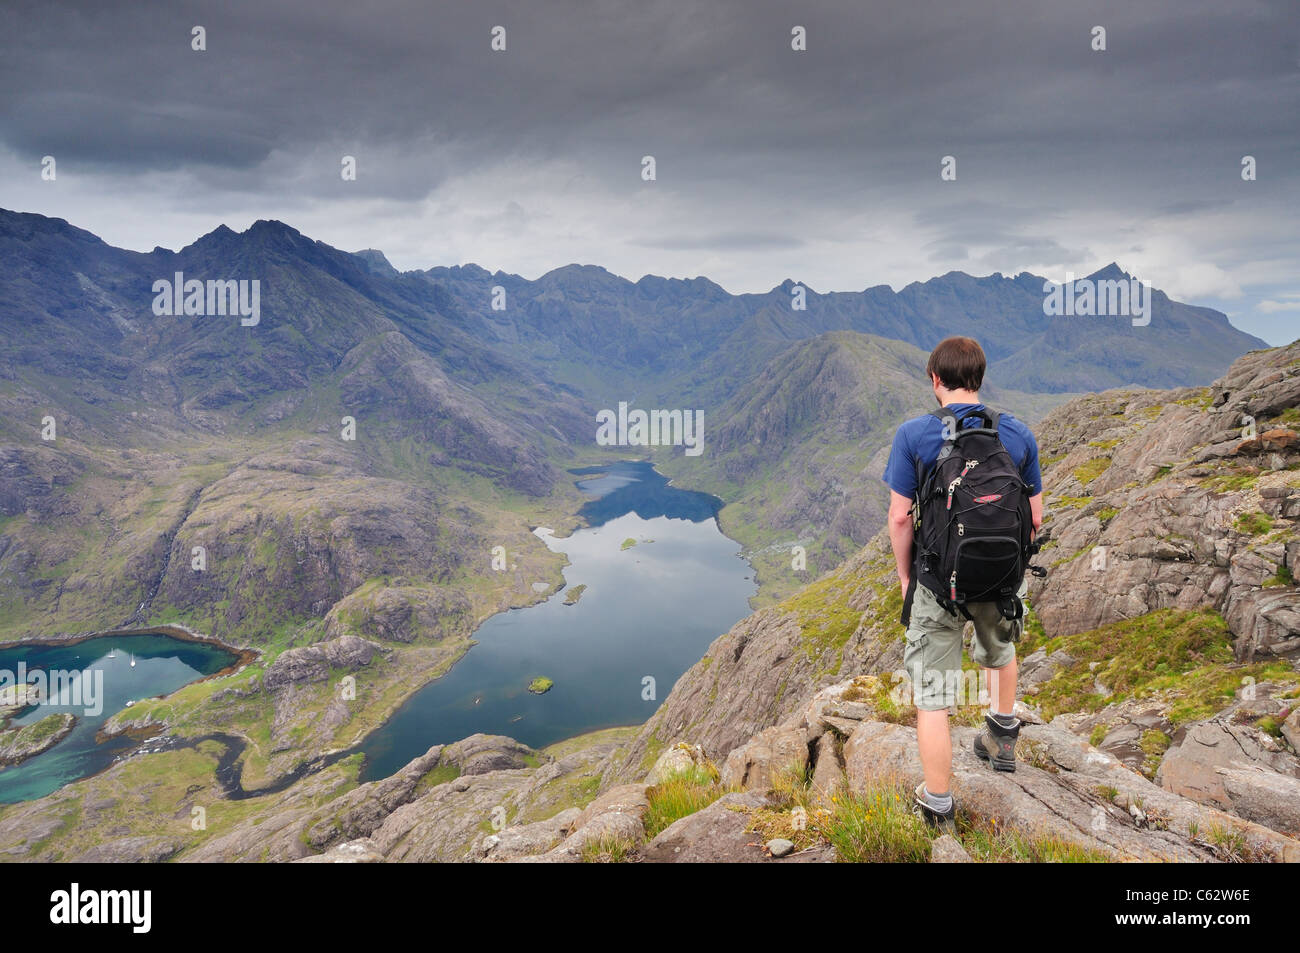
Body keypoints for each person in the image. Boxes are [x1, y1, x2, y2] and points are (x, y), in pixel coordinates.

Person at [881, 336, 1043, 831]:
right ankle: (1000, 737)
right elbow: (1034, 519)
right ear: (979, 377)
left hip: (937, 580)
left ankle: (937, 804)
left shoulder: (914, 435)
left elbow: (900, 519)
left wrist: (908, 576)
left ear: (935, 380)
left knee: (933, 697)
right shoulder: (1017, 433)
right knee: (1002, 652)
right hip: (999, 577)